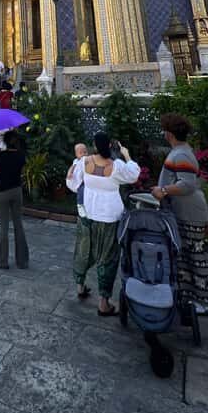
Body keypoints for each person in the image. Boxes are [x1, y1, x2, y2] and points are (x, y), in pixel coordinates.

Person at [67, 131, 140, 315]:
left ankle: (80, 287)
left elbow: (73, 184)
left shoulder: (84, 162)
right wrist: (127, 155)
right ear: (109, 146)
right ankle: (103, 303)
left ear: (93, 144)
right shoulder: (116, 166)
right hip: (108, 217)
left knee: (83, 249)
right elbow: (134, 175)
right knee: (107, 258)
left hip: (87, 214)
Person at [151, 113, 208, 315]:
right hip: (181, 212)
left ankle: (202, 301)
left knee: (195, 257)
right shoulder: (180, 151)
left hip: (190, 212)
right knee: (184, 256)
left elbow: (187, 184)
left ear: (169, 133)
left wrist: (164, 190)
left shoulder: (182, 154)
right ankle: (188, 298)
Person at [0, 130, 28, 269]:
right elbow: (22, 172)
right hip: (16, 191)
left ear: (5, 142)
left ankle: (2, 260)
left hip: (3, 191)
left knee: (4, 226)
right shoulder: (21, 155)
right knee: (18, 224)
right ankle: (22, 260)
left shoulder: (1, 155)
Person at [66, 143, 88, 217]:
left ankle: (85, 205)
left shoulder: (87, 160)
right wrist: (69, 173)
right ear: (76, 154)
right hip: (76, 178)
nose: (83, 154)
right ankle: (80, 205)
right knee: (81, 190)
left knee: (85, 190)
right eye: (81, 153)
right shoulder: (76, 161)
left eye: (85, 152)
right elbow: (72, 167)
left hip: (84, 179)